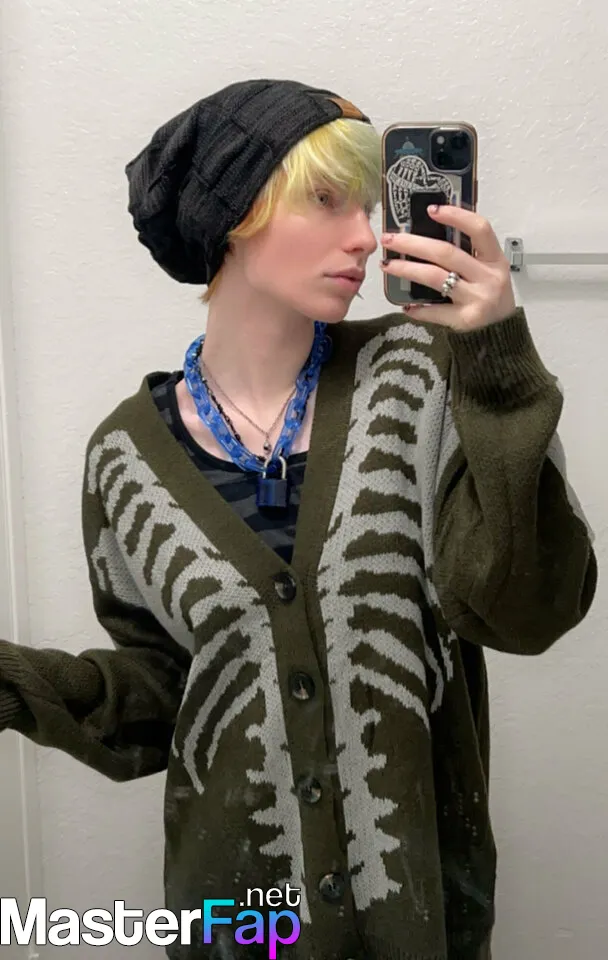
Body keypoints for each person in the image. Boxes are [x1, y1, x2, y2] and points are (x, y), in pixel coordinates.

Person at [0, 78, 597, 960]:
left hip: (421, 921)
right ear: (232, 214)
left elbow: (526, 612)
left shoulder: (425, 374)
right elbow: (171, 693)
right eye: (325, 201)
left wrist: (499, 361)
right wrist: (17, 682)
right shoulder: (124, 458)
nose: (364, 237)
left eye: (367, 207)